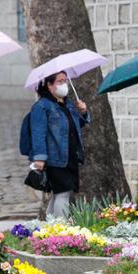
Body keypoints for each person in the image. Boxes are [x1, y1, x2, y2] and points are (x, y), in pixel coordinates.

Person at [28, 71, 90, 218]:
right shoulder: (42, 106)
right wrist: (40, 158)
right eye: (60, 81)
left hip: (70, 155)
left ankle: (50, 228)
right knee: (63, 193)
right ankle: (61, 231)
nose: (64, 84)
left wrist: (84, 112)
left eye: (65, 80)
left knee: (60, 194)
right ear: (49, 85)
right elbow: (38, 133)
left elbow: (76, 125)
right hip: (55, 158)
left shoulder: (67, 104)